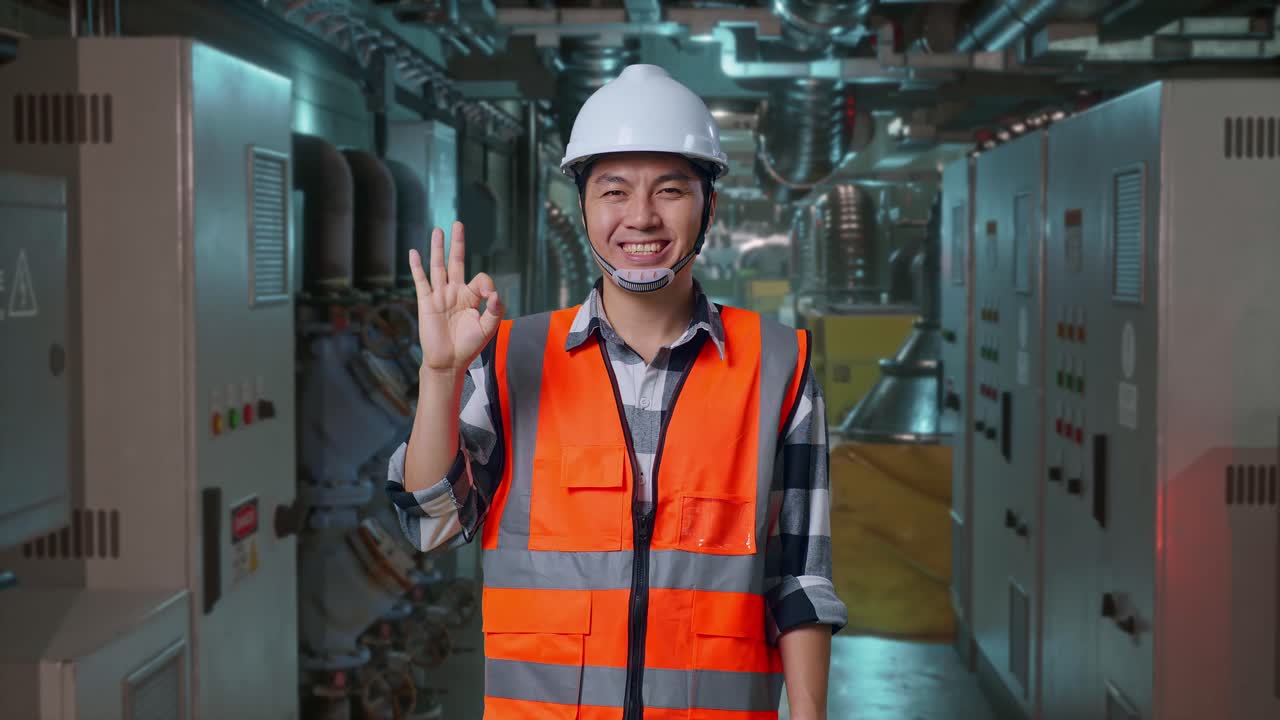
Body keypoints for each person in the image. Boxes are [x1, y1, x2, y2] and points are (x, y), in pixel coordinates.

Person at [385, 64, 846, 720]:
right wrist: (440, 376)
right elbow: (432, 524)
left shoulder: (779, 368)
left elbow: (800, 582)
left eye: (670, 190)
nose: (641, 218)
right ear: (582, 205)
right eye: (613, 190)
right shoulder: (514, 357)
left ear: (707, 202)